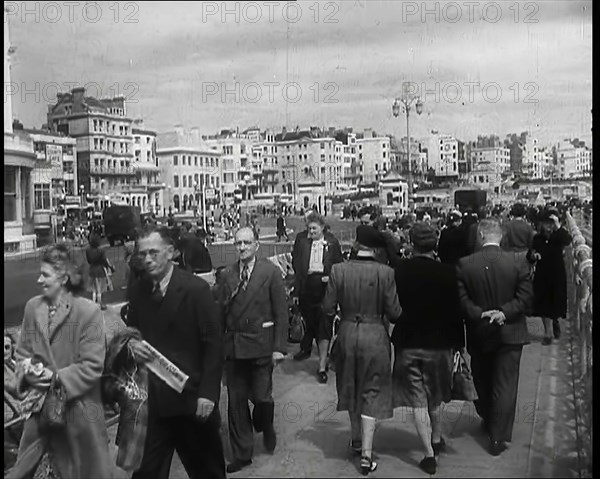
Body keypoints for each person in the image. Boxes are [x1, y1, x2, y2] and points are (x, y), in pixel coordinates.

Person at [6, 244, 122, 479]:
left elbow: (92, 366)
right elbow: (22, 353)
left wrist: (57, 377)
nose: (39, 280)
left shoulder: (87, 312)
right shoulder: (32, 308)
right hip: (39, 414)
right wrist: (27, 371)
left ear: (64, 277)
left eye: (45, 274)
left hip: (79, 415)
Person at [126, 225, 226, 479]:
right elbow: (133, 332)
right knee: (146, 472)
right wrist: (131, 346)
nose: (147, 259)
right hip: (153, 403)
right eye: (142, 254)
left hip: (191, 402)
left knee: (207, 472)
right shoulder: (138, 292)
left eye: (153, 252)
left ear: (170, 252)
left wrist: (208, 394)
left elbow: (213, 344)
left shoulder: (196, 290)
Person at [322, 225, 402, 475]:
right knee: (372, 391)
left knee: (350, 385)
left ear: (356, 245)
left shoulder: (338, 270)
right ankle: (366, 454)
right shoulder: (386, 273)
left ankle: (356, 439)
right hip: (375, 336)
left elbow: (327, 307)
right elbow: (395, 313)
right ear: (376, 249)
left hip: (346, 333)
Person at [389, 223, 465, 475]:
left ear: (412, 243)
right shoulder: (448, 273)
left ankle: (428, 455)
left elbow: (393, 309)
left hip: (408, 343)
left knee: (417, 400)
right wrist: (459, 345)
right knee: (435, 394)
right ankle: (437, 437)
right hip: (439, 344)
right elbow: (457, 313)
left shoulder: (399, 271)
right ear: (434, 244)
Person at [214, 227, 288, 474]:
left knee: (262, 398)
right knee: (236, 404)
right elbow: (221, 313)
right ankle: (242, 453)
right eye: (238, 243)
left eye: (247, 242)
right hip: (234, 348)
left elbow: (281, 313)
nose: (242, 247)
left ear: (257, 245)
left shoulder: (270, 272)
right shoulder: (227, 275)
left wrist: (279, 348)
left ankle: (265, 424)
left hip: (261, 346)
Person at [456, 219, 532, 456]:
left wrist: (480, 314)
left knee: (483, 379)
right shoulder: (519, 263)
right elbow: (526, 298)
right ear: (501, 236)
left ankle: (488, 417)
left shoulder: (465, 264)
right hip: (511, 331)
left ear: (479, 235)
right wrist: (504, 313)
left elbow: (462, 300)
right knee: (506, 385)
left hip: (480, 331)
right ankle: (498, 437)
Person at [291, 211, 343, 383]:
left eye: (314, 229)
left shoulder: (332, 242)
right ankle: (307, 349)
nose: (310, 232)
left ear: (322, 228)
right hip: (307, 286)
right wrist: (297, 290)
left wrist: (331, 277)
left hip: (325, 287)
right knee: (310, 321)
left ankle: (321, 365)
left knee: (324, 326)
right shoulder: (301, 241)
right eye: (308, 228)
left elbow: (339, 265)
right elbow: (296, 264)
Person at [527, 209, 572, 345]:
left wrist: (558, 226)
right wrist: (533, 256)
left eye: (551, 223)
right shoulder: (537, 238)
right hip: (542, 274)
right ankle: (547, 333)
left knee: (556, 302)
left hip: (557, 274)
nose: (548, 226)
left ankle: (555, 321)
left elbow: (568, 240)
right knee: (543, 304)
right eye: (546, 223)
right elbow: (530, 254)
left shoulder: (558, 237)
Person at [85, 232, 115, 310]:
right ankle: (99, 304)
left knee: (94, 290)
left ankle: (93, 305)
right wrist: (110, 268)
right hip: (100, 270)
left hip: (92, 270)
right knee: (100, 290)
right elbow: (104, 261)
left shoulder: (87, 250)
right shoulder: (100, 251)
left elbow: (88, 261)